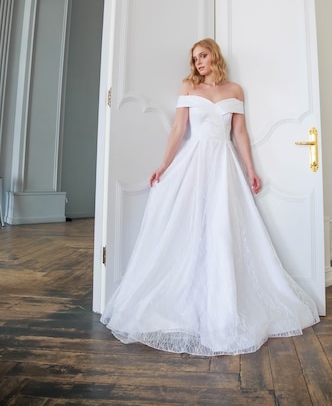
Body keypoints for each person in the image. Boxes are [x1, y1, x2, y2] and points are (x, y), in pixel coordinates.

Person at [101, 38, 319, 356]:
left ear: (214, 56)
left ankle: (225, 305)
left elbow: (240, 132)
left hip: (224, 165)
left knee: (223, 229)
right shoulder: (189, 86)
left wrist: (250, 170)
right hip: (194, 162)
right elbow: (179, 128)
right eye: (195, 58)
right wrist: (164, 165)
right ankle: (188, 303)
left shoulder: (235, 90)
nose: (199, 62)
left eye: (203, 56)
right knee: (187, 228)